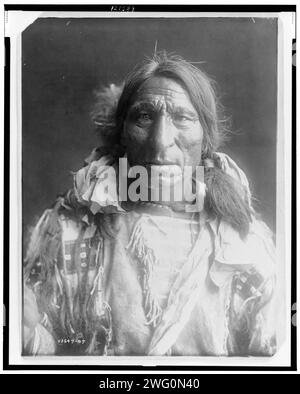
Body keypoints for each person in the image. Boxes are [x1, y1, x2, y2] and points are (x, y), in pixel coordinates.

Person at [23, 53, 277, 356]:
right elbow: (45, 345)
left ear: (206, 139)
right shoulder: (69, 232)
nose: (160, 142)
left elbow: (274, 354)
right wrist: (27, 335)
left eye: (182, 117)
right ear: (122, 136)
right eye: (144, 117)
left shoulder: (245, 246)